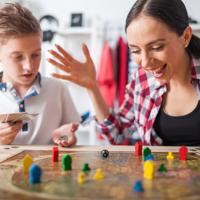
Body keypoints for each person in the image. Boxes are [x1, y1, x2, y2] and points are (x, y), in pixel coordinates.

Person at [48, 0, 200, 146]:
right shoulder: (142, 80)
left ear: (185, 37)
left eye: (156, 47)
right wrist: (92, 87)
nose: (145, 63)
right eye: (135, 50)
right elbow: (118, 135)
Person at [0, 3, 80, 146]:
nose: (29, 66)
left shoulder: (58, 89)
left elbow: (68, 136)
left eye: (36, 55)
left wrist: (65, 138)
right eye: (18, 57)